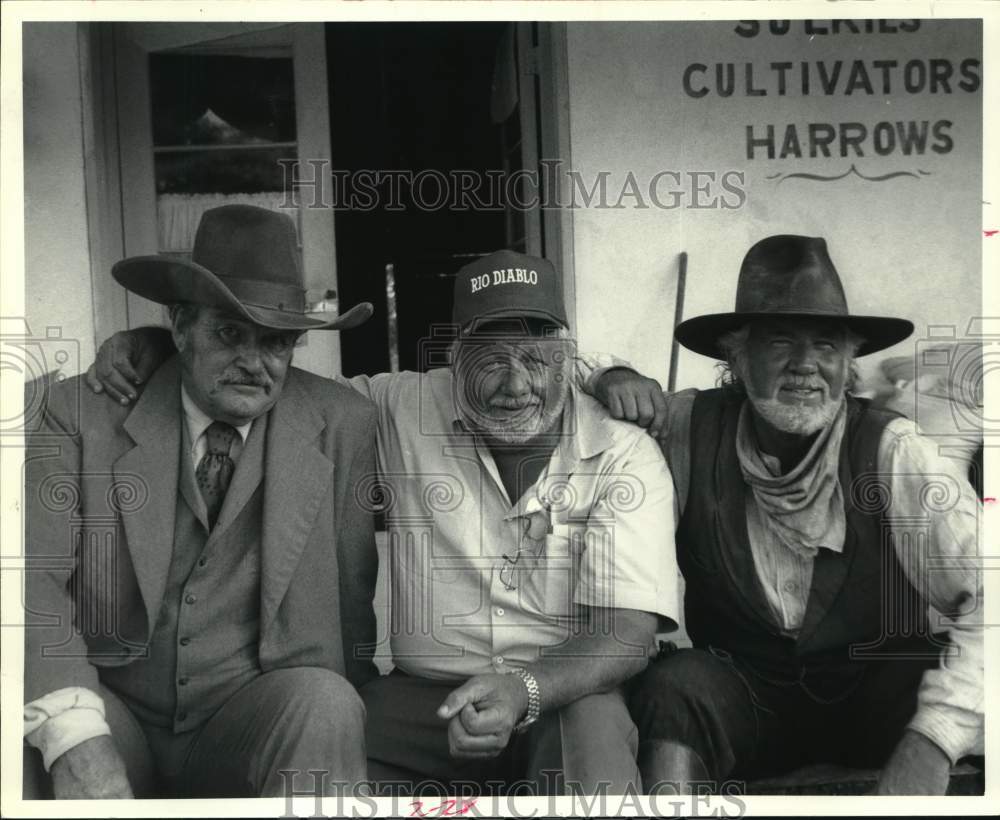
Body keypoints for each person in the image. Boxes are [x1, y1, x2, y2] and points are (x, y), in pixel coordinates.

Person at [83, 249, 681, 795]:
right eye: (491, 361)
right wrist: (165, 346)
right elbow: (263, 383)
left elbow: (628, 633)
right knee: (314, 749)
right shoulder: (399, 407)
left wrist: (523, 690)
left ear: (567, 361)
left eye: (536, 358)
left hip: (562, 691)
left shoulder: (624, 453)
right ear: (454, 359)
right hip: (422, 702)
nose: (515, 384)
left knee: (592, 750)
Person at [597, 235, 983, 795]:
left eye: (826, 345)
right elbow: (558, 397)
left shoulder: (892, 448)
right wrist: (610, 376)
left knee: (954, 680)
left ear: (848, 360)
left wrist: (935, 739)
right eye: (780, 341)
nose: (806, 365)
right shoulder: (683, 428)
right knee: (673, 684)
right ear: (736, 355)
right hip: (746, 698)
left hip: (875, 694)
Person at [23, 205, 380, 798]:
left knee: (325, 702)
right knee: (27, 744)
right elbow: (30, 581)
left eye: (276, 342)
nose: (253, 361)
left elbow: (350, 598)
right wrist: (75, 733)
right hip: (116, 708)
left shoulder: (343, 421)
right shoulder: (79, 414)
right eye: (228, 333)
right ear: (180, 326)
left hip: (251, 717)